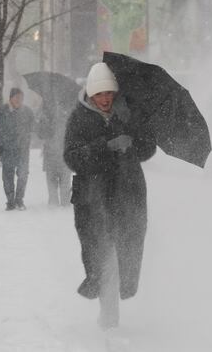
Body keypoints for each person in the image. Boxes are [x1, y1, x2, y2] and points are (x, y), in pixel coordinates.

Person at [63, 62, 156, 329]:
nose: (105, 99)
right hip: (92, 201)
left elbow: (147, 149)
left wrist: (133, 139)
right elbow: (71, 157)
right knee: (101, 257)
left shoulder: (127, 114)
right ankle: (109, 314)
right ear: (90, 94)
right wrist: (105, 147)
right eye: (100, 94)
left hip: (127, 196)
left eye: (109, 94)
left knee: (123, 254)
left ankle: (111, 312)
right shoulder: (78, 119)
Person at [0, 88, 34, 211]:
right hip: (7, 149)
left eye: (21, 97)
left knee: (23, 175)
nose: (19, 100)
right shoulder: (2, 111)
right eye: (17, 97)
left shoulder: (27, 112)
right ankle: (10, 201)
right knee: (7, 176)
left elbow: (33, 127)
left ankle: (19, 200)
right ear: (11, 98)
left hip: (23, 149)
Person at [37, 103, 72, 207]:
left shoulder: (69, 115)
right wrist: (44, 121)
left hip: (64, 153)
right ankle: (54, 206)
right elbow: (40, 134)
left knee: (65, 182)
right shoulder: (45, 114)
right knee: (52, 182)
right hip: (50, 153)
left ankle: (64, 204)